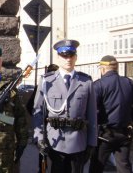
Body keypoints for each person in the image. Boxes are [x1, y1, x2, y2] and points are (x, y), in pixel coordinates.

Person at [32, 39, 97, 173]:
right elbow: (38, 111)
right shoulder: (47, 81)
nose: (68, 59)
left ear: (76, 57)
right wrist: (39, 137)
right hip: (54, 140)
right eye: (64, 56)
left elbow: (92, 115)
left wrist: (92, 142)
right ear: (58, 57)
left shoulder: (86, 81)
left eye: (71, 55)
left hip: (78, 141)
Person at [89, 55, 133, 173]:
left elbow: (91, 110)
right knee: (124, 166)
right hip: (124, 133)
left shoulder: (98, 85)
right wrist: (130, 117)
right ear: (116, 68)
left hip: (104, 134)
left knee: (97, 166)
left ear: (102, 68)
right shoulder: (129, 82)